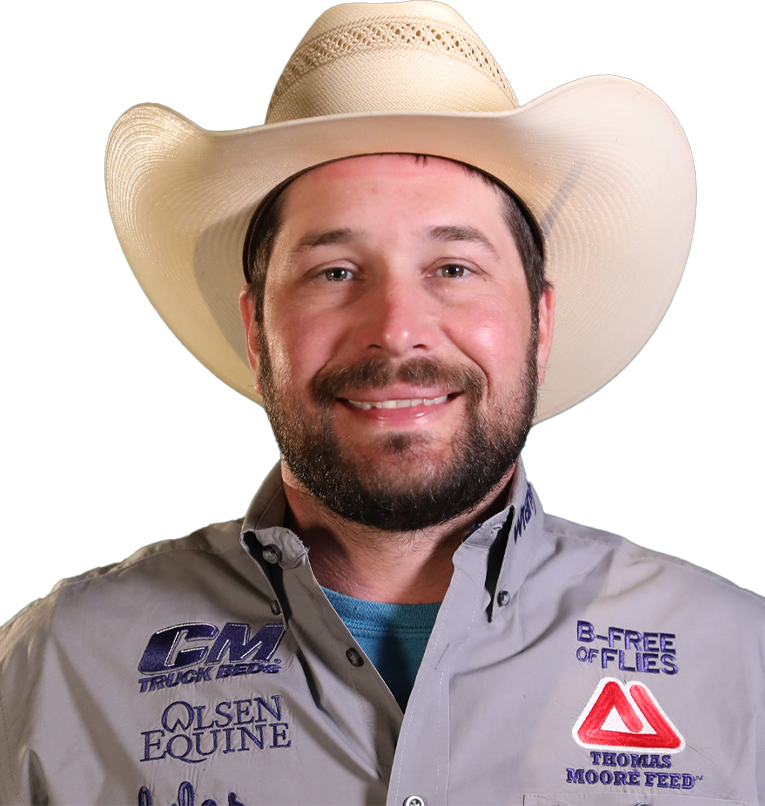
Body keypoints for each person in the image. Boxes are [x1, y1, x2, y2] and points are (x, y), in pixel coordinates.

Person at [1, 2, 763, 805]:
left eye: (453, 269)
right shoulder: (57, 670)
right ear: (257, 333)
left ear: (539, 323)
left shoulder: (737, 667)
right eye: (334, 272)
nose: (397, 331)